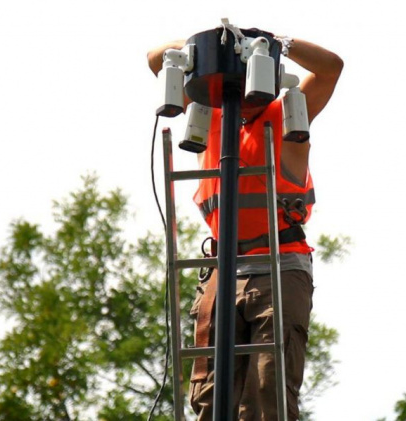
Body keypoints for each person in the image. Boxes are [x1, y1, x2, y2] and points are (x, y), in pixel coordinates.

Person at [147, 30, 342, 421]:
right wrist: (209, 46)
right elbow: (155, 59)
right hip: (223, 269)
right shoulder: (209, 116)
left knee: (267, 395)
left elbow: (330, 67)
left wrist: (274, 42)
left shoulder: (288, 116)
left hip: (279, 265)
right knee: (208, 394)